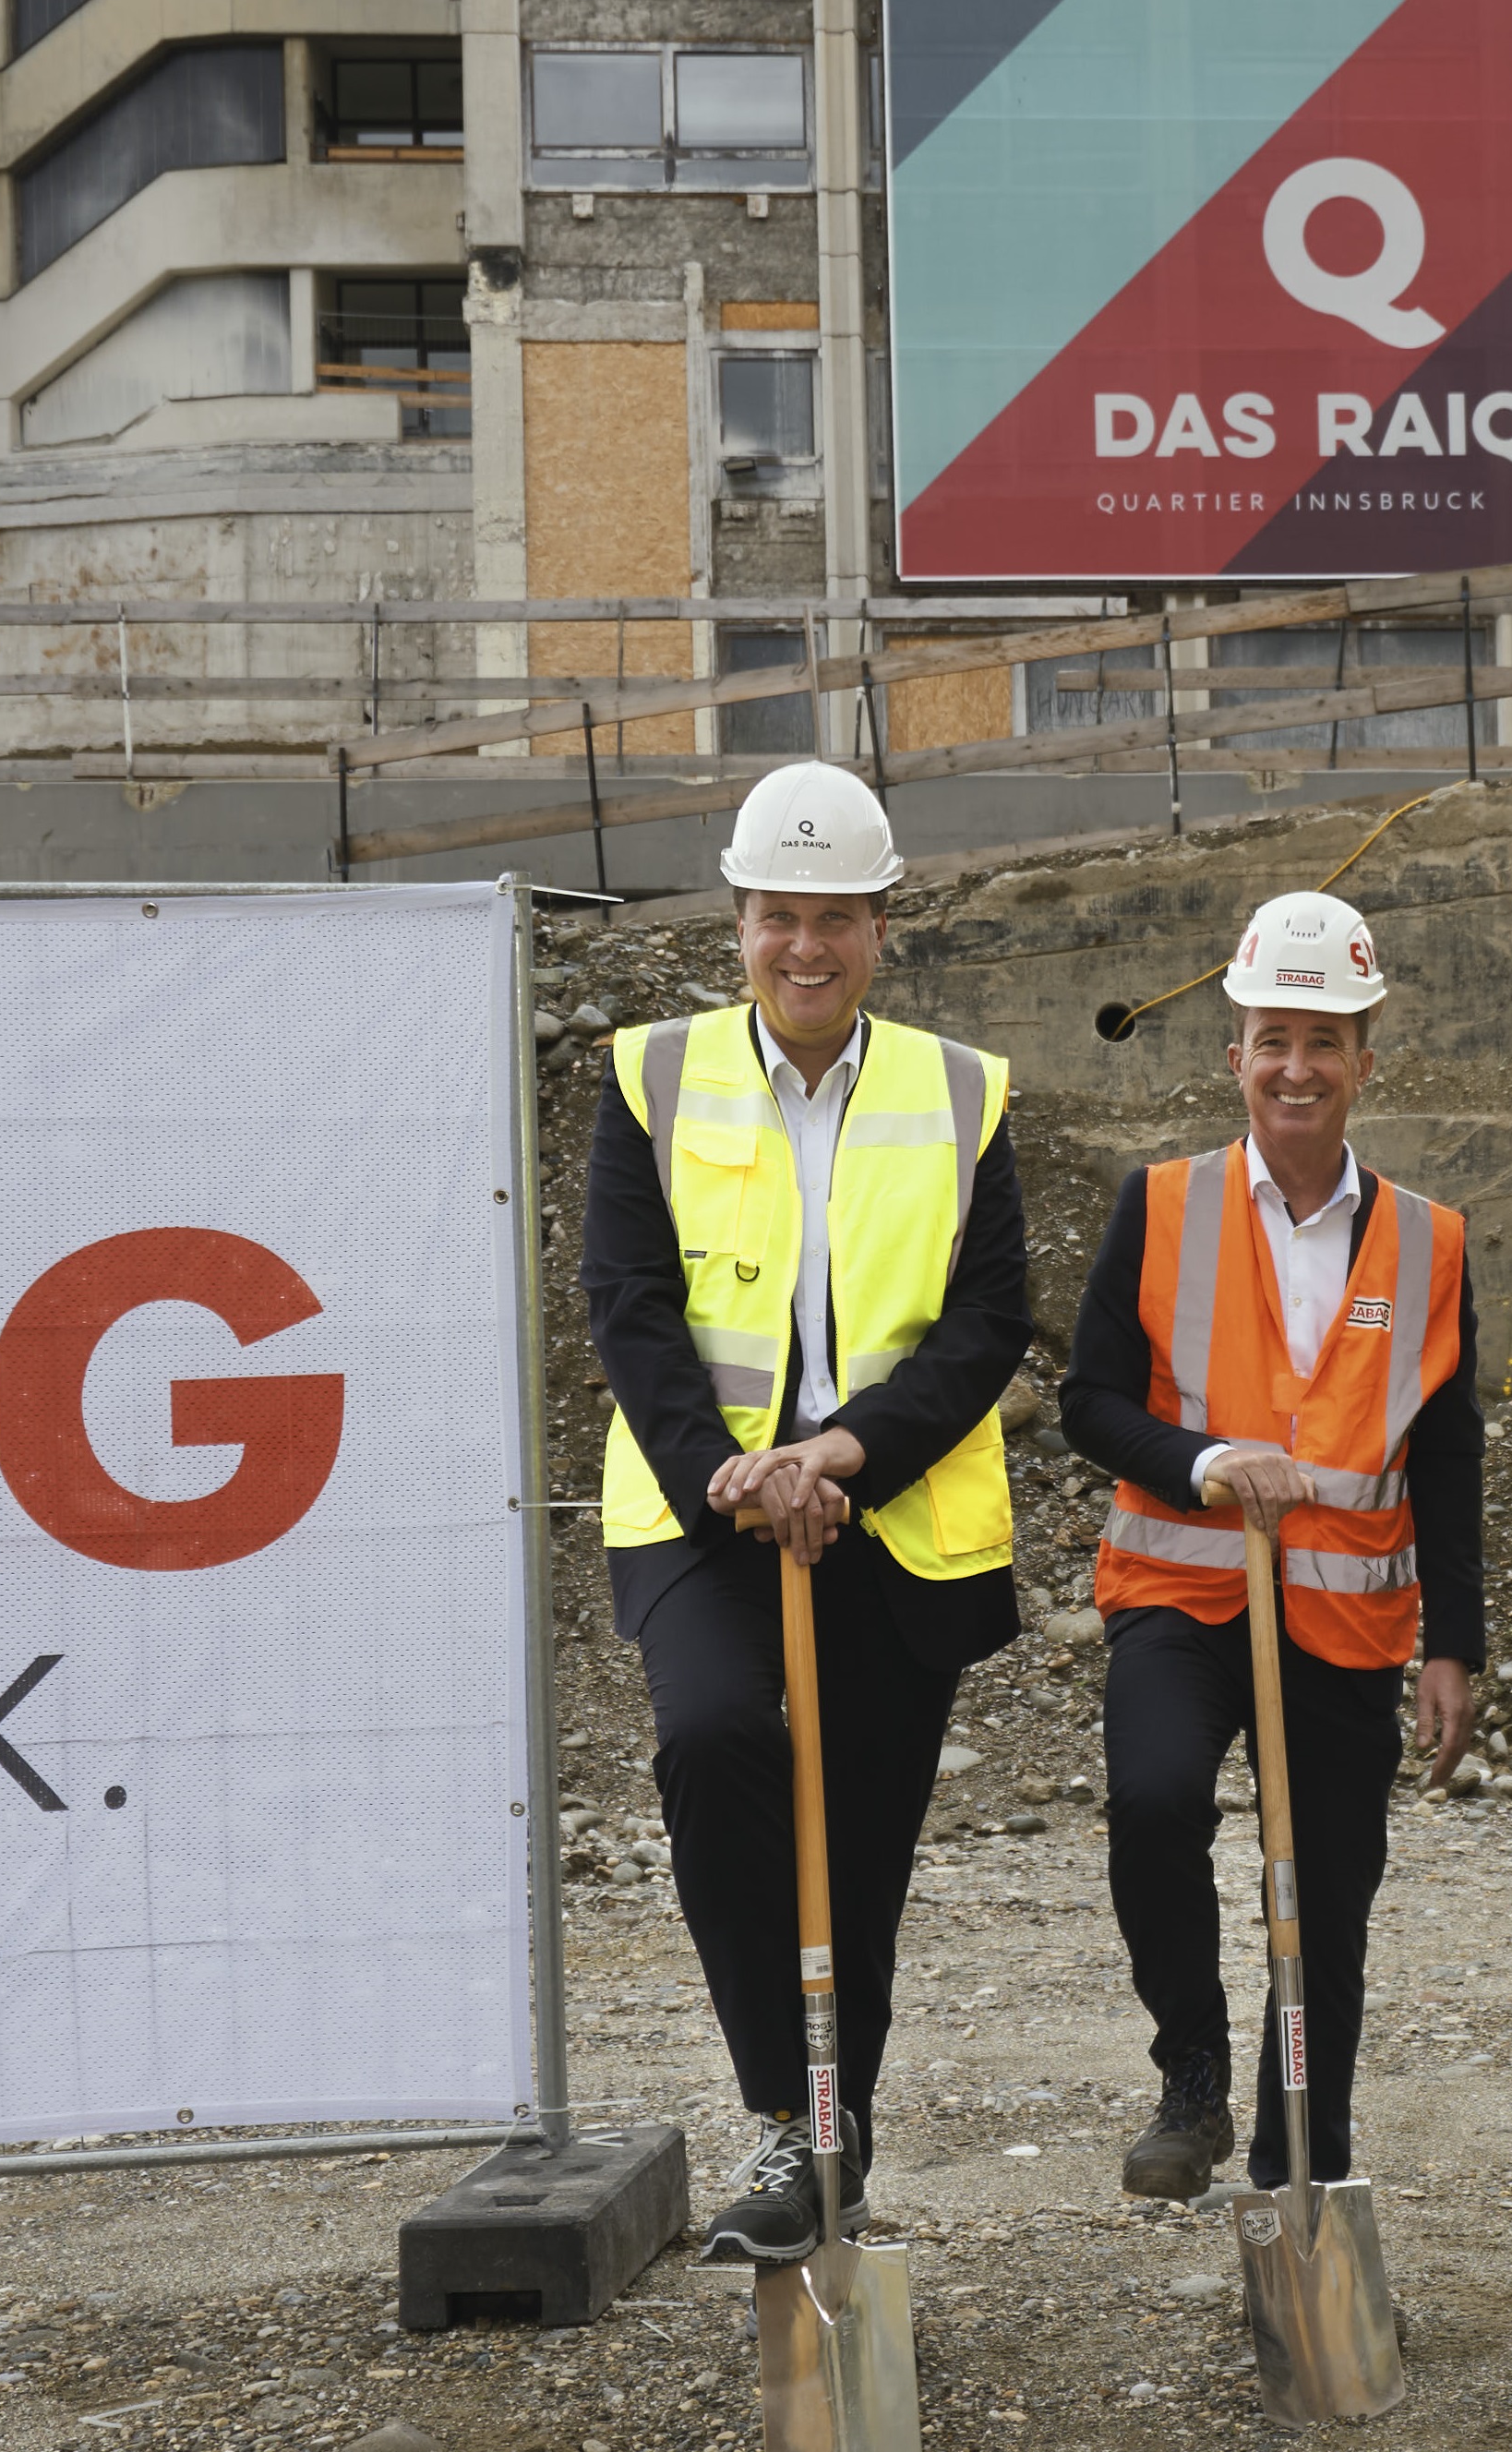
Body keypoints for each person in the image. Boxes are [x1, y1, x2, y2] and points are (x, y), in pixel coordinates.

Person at [586, 759, 1032, 2265]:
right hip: (699, 1510)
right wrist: (729, 1467)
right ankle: (784, 2109)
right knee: (712, 1739)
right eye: (778, 915)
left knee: (857, 1845)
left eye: (834, 917)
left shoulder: (961, 1090)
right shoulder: (650, 1073)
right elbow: (627, 1302)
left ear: (879, 924)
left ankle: (833, 2136)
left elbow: (986, 1323)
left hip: (886, 1516)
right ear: (738, 920)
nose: (804, 947)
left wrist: (840, 1457)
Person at [1060, 888, 1483, 2205]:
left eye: (1323, 1039)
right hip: (1179, 1593)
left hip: (1344, 1623)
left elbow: (1447, 1452)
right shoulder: (1160, 1203)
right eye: (1270, 1039)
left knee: (1327, 1891)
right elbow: (1087, 1398)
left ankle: (1306, 2151)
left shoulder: (1430, 1240)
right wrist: (1198, 1459)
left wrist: (1454, 1644)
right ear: (1230, 1054)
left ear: (1366, 1058)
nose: (1294, 1067)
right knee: (1154, 1799)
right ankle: (1190, 2068)